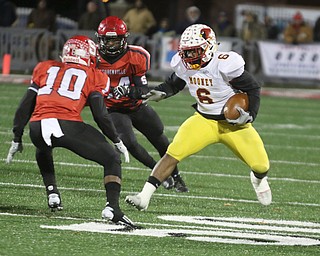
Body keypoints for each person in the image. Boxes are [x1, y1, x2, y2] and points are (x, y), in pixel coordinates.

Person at [125, 24, 272, 211]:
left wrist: (250, 115)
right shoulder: (184, 65)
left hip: (234, 124)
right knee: (172, 154)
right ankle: (143, 197)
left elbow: (253, 88)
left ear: (209, 47)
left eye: (195, 51)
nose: (189, 57)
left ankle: (258, 180)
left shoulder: (225, 64)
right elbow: (173, 84)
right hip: (203, 120)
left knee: (261, 166)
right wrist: (160, 92)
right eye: (186, 52)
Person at [5, 35, 137, 228]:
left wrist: (17, 136)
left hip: (37, 125)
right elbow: (100, 115)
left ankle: (52, 194)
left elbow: (26, 105)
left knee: (43, 145)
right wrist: (116, 140)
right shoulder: (95, 75)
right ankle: (113, 209)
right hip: (66, 124)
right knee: (111, 158)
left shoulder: (45, 67)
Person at [95, 16, 188, 192]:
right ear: (100, 40)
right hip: (113, 109)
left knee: (160, 139)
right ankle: (160, 173)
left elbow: (143, 89)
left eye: (115, 41)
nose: (111, 45)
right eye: (108, 41)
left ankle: (176, 175)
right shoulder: (93, 57)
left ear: (124, 40)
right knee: (129, 143)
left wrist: (127, 91)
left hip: (136, 105)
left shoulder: (136, 55)